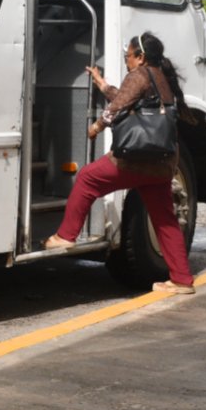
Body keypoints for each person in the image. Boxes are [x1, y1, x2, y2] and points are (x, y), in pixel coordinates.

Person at [44, 32, 196, 295]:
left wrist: (96, 125)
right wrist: (102, 84)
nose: (126, 60)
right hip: (162, 162)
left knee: (88, 178)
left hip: (135, 159)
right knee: (165, 220)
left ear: (141, 57)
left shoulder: (139, 75)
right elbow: (128, 98)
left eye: (128, 55)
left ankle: (65, 236)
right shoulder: (161, 76)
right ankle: (182, 279)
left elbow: (118, 106)